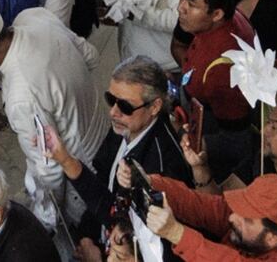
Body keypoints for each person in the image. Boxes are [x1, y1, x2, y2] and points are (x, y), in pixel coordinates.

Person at [0, 0, 108, 225]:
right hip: (103, 131)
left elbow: (49, 168)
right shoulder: (35, 17)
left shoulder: (22, 94)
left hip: (81, 168)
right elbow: (91, 57)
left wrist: (48, 218)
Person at [43, 56, 190, 250]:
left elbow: (131, 229)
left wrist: (67, 162)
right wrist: (88, 237)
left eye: (125, 106)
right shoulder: (125, 128)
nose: (113, 112)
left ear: (154, 107)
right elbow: (104, 181)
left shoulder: (161, 166)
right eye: (111, 100)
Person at [175, 0, 256, 179]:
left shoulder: (221, 69)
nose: (180, 7)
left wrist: (194, 143)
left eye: (192, 5)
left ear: (217, 14)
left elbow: (235, 139)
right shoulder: (225, 19)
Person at [127, 167, 277, 261]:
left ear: (272, 238)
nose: (232, 217)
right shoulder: (237, 219)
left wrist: (177, 234)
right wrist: (150, 183)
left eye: (246, 218)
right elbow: (197, 204)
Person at [183, 92, 277, 191]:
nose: (263, 131)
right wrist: (199, 167)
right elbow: (221, 203)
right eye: (268, 123)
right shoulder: (259, 161)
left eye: (274, 127)